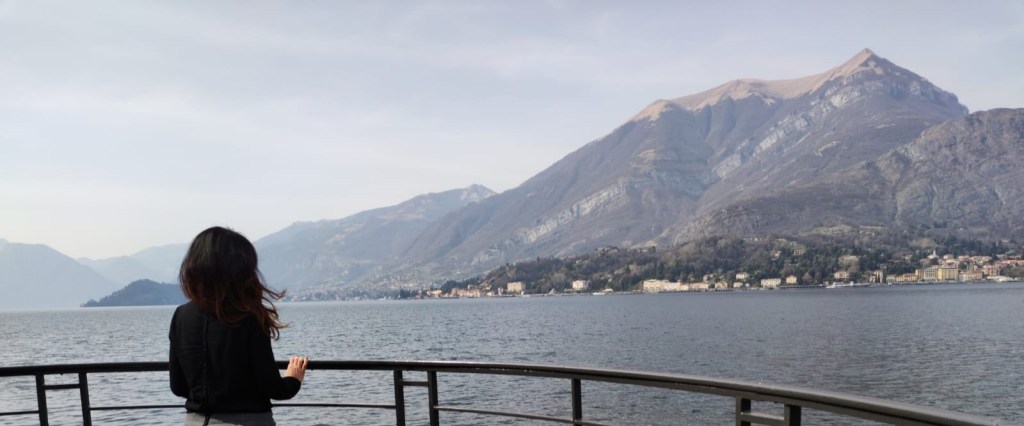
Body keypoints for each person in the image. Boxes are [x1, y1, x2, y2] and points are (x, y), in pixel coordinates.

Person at [169, 226, 308, 426]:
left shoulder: (181, 316)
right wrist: (294, 379)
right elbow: (274, 388)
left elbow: (178, 387)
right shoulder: (249, 317)